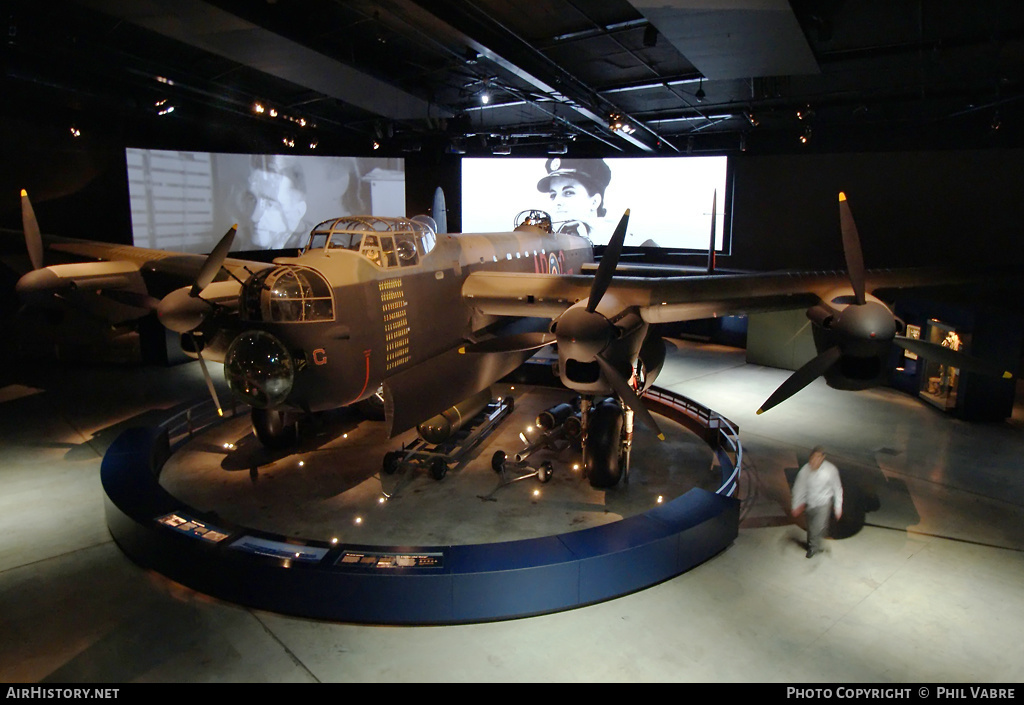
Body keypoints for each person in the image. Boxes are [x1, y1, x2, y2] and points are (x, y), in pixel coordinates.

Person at [536, 158, 614, 244]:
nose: (557, 202)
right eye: (553, 195)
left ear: (594, 202)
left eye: (568, 192)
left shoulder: (613, 237)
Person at [791, 446, 843, 558]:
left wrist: (838, 507)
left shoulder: (830, 470)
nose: (814, 461)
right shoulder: (805, 471)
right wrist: (796, 504)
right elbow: (799, 488)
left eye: (818, 458)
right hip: (810, 503)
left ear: (822, 458)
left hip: (823, 504)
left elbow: (837, 488)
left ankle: (813, 548)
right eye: (813, 458)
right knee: (811, 528)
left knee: (816, 527)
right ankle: (815, 540)